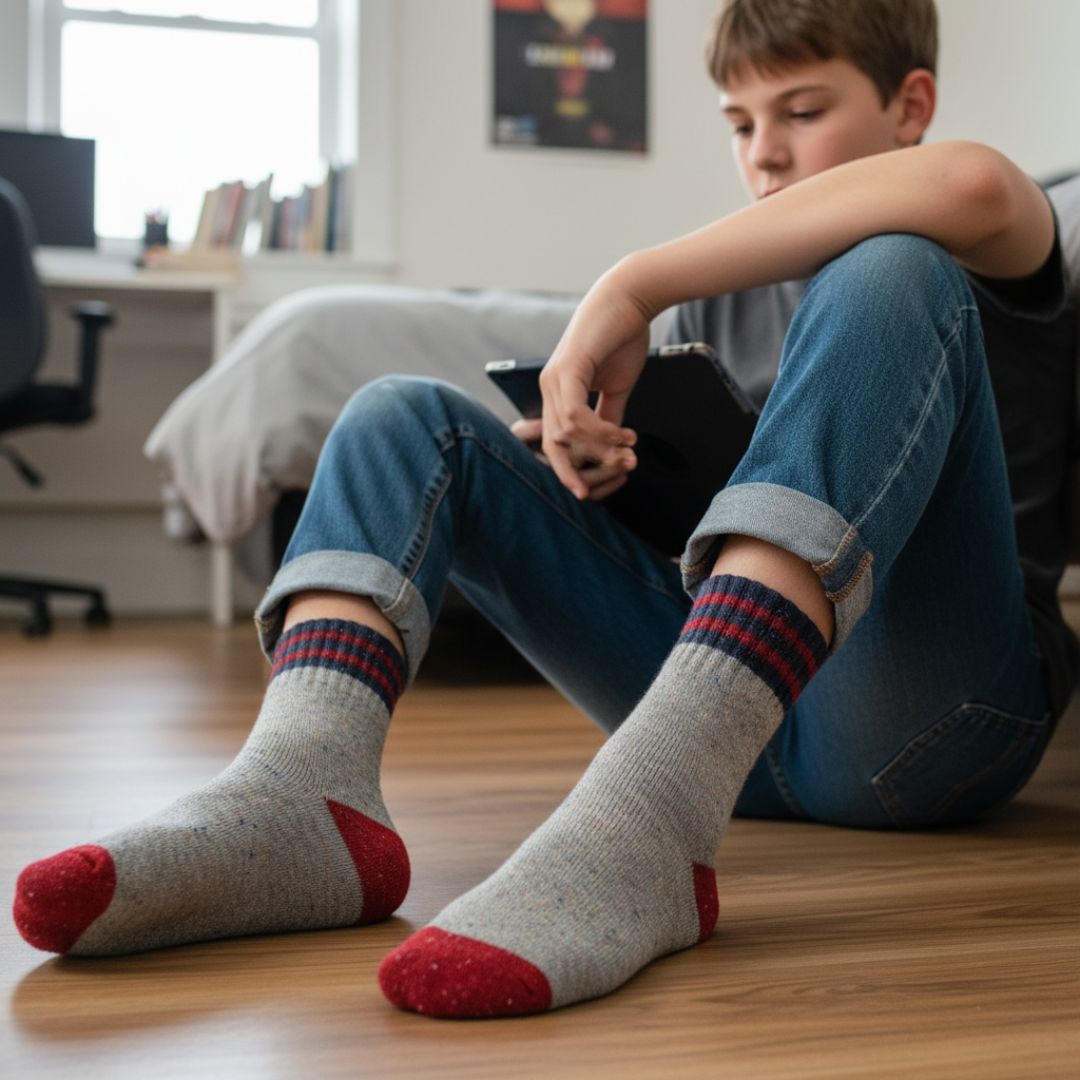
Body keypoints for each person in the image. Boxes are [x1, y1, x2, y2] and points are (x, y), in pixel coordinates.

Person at [13, 0, 1077, 1020]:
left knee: (887, 267)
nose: (763, 152)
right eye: (740, 123)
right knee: (405, 420)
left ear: (910, 105)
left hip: (932, 731)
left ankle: (648, 823)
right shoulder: (722, 301)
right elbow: (728, 530)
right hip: (740, 729)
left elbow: (975, 182)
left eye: (802, 112)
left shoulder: (990, 248)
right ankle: (305, 796)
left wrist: (631, 282)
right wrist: (605, 484)